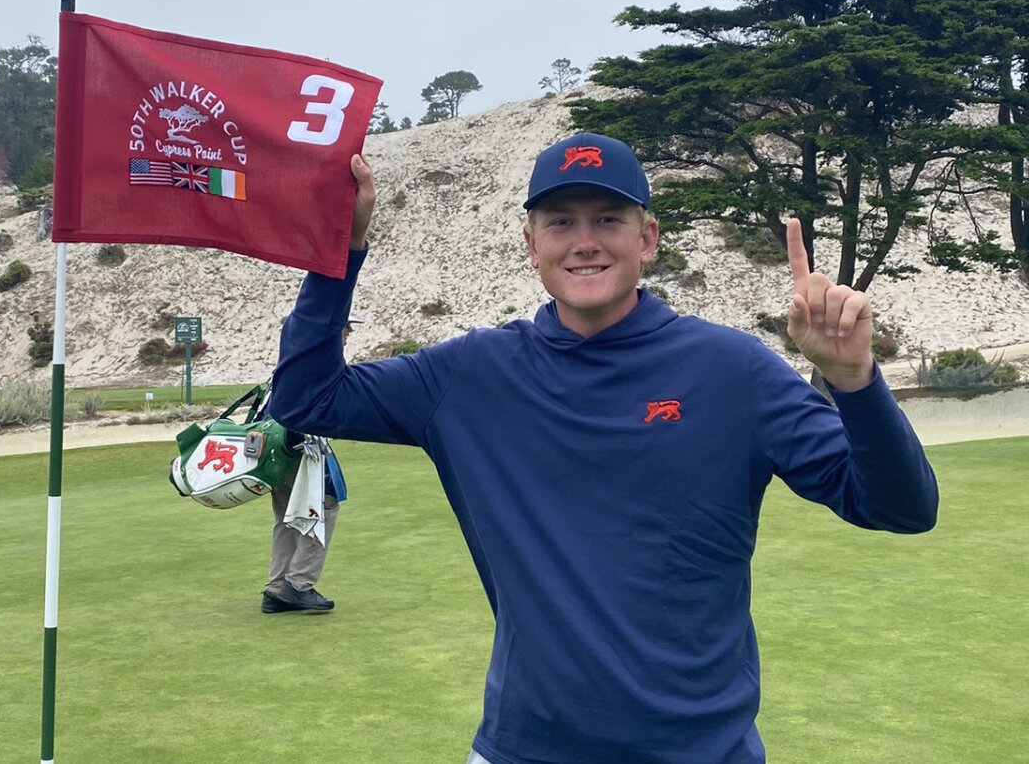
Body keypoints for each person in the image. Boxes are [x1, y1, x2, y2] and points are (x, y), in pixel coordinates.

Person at [268, 132, 938, 763]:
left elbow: (902, 507)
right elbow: (305, 400)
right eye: (561, 221)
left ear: (648, 238)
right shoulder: (469, 376)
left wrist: (854, 382)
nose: (584, 242)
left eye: (607, 219)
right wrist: (339, 251)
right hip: (523, 747)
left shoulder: (734, 371)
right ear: (531, 243)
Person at [260, 319, 356, 614]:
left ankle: (277, 590)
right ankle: (299, 585)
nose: (348, 336)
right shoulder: (323, 361)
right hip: (305, 453)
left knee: (287, 520)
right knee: (322, 512)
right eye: (345, 330)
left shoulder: (294, 358)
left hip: (279, 454)